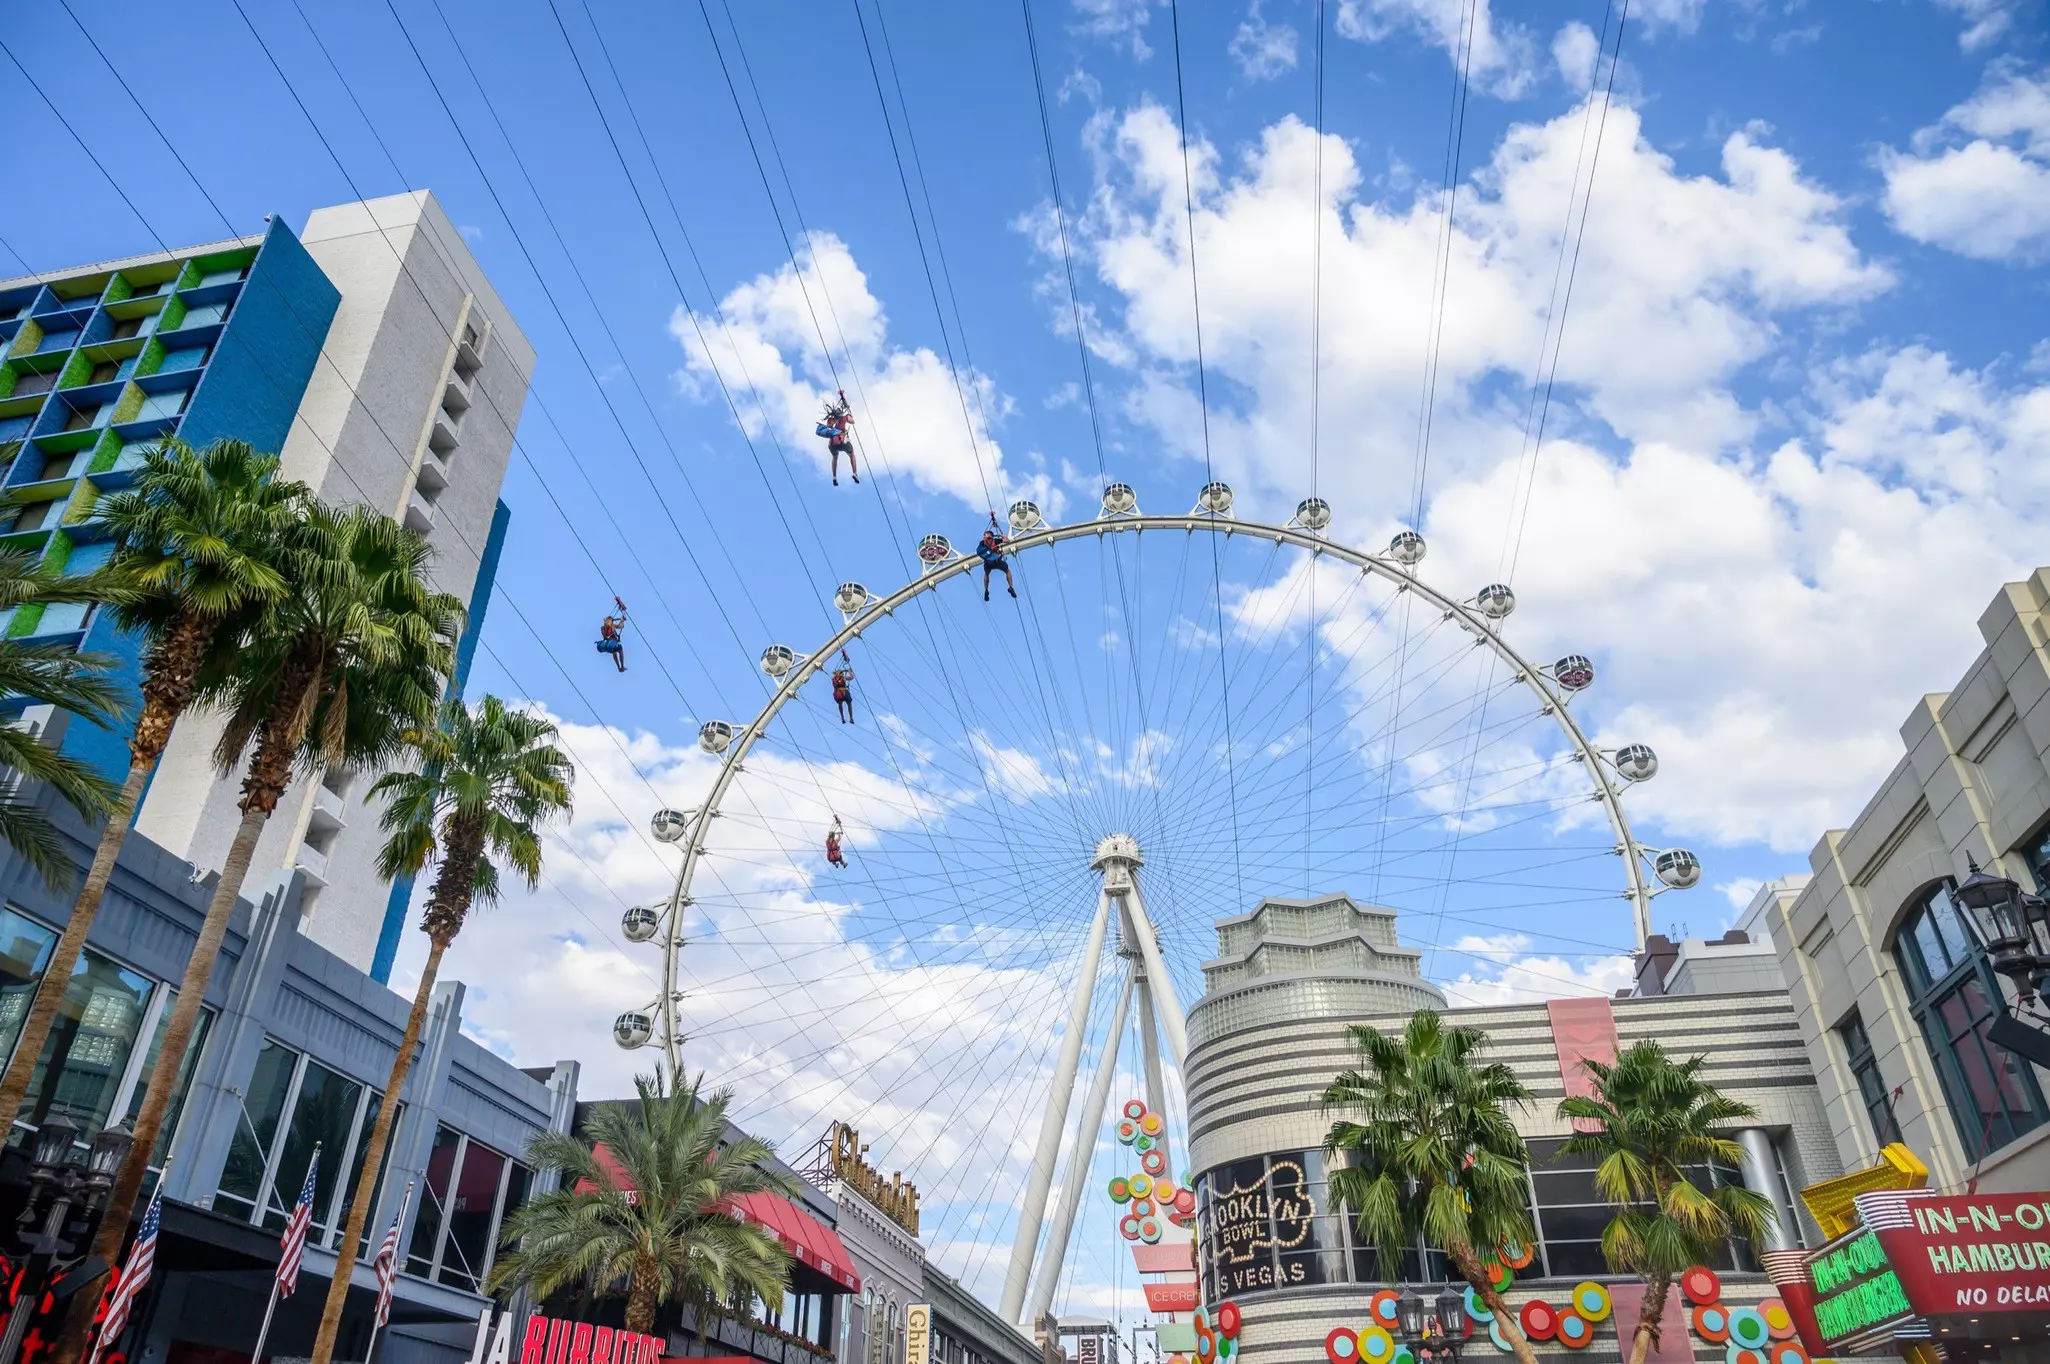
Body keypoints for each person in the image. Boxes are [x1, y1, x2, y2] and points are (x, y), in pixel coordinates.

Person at [818, 390, 858, 486]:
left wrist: (842, 397)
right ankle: (855, 473)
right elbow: (853, 421)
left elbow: (829, 427)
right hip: (842, 441)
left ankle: (834, 477)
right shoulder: (844, 418)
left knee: (835, 458)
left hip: (832, 444)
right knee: (852, 455)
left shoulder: (830, 420)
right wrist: (849, 413)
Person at [977, 518, 1017, 601]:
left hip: (994, 561)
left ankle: (1010, 587)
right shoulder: (983, 544)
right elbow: (981, 552)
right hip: (991, 561)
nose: (986, 539)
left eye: (988, 538)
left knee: (1005, 571)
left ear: (991, 537)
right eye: (985, 537)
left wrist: (1001, 536)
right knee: (988, 573)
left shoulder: (993, 541)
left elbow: (1007, 540)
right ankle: (987, 590)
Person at [596, 596, 628, 672]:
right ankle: (622, 666)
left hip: (607, 645)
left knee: (613, 651)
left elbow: (605, 635)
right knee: (620, 649)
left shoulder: (602, 628)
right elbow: (621, 626)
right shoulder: (612, 626)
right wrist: (623, 620)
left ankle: (618, 667)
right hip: (611, 643)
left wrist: (622, 620)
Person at [831, 659, 856, 724]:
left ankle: (842, 717)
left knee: (840, 704)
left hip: (837, 694)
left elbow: (835, 676)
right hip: (844, 692)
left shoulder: (833, 679)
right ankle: (851, 718)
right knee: (849, 704)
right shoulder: (843, 678)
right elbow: (852, 677)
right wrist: (849, 671)